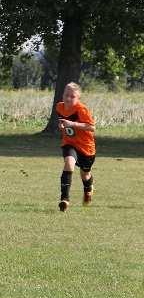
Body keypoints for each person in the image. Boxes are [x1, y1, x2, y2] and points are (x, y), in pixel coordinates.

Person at [56, 82, 96, 212]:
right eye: (66, 95)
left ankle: (88, 188)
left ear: (78, 98)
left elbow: (91, 127)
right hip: (70, 143)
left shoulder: (81, 110)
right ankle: (64, 199)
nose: (68, 98)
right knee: (69, 163)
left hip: (86, 148)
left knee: (85, 175)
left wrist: (72, 124)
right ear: (62, 95)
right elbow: (63, 125)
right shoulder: (59, 107)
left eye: (72, 96)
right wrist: (62, 127)